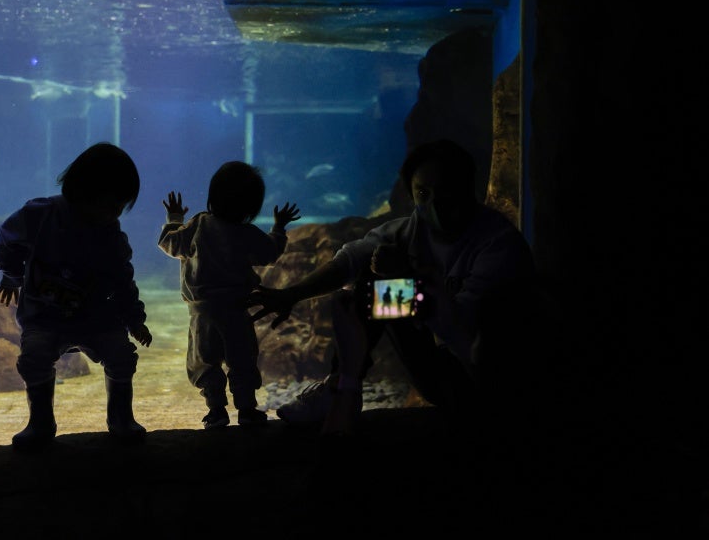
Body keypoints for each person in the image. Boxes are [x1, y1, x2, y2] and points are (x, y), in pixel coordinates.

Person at [248, 138, 537, 436]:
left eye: (446, 190)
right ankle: (340, 386)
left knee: (380, 287)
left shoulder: (498, 245)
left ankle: (343, 388)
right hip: (439, 371)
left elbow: (462, 330)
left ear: (468, 188)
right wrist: (291, 294)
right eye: (423, 193)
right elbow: (348, 263)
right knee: (370, 285)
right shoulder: (408, 231)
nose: (434, 203)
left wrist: (406, 279)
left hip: (488, 381)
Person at [0, 142, 153, 450]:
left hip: (99, 318)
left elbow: (123, 280)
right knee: (33, 359)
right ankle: (40, 422)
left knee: (121, 356)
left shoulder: (111, 236)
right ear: (84, 191)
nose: (116, 214)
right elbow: (9, 239)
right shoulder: (39, 215)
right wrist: (11, 275)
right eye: (111, 205)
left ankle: (120, 418)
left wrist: (134, 320)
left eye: (120, 206)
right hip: (45, 316)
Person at [158, 161, 300, 429]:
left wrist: (174, 220)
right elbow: (269, 253)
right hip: (237, 311)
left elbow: (170, 243)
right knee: (242, 361)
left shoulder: (198, 224)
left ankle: (216, 412)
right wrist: (279, 227)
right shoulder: (247, 234)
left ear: (213, 197)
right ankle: (247, 409)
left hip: (203, 314)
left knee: (204, 363)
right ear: (251, 208)